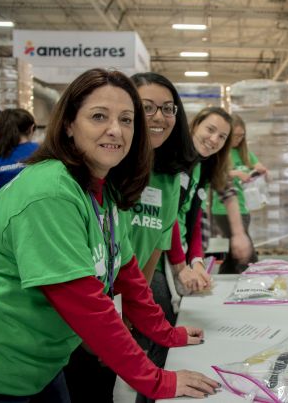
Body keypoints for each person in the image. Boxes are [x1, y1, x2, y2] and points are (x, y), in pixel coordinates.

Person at [0, 68, 220, 402]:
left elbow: (127, 274)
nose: (115, 130)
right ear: (68, 124)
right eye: (98, 116)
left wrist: (167, 333)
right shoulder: (49, 192)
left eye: (126, 120)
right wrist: (157, 381)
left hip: (38, 364)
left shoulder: (103, 191)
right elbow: (84, 302)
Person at [62, 72, 206, 403]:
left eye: (168, 108)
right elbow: (76, 287)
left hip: (106, 303)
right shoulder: (92, 176)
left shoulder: (165, 178)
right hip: (67, 317)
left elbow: (139, 254)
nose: (159, 117)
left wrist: (136, 320)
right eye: (145, 108)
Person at [176, 106, 253, 276]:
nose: (214, 139)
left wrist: (196, 260)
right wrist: (181, 265)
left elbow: (225, 193)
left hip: (185, 254)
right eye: (210, 129)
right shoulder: (175, 161)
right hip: (169, 258)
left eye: (222, 137)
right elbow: (170, 219)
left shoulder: (207, 163)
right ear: (196, 125)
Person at [210, 114, 264, 270]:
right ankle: (254, 281)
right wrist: (236, 173)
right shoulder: (220, 151)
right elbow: (215, 175)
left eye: (242, 136)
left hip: (243, 206)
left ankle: (225, 278)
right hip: (223, 209)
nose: (238, 139)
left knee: (235, 252)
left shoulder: (244, 153)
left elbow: (258, 165)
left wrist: (260, 170)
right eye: (235, 136)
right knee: (247, 254)